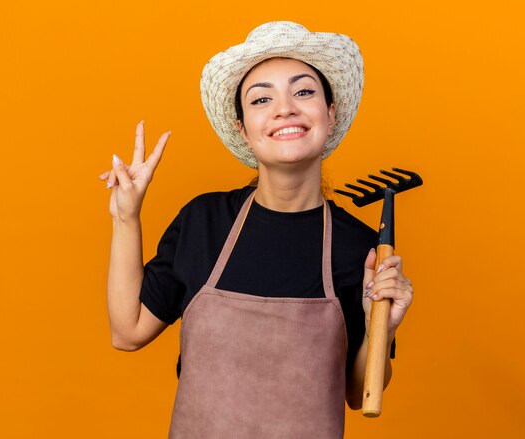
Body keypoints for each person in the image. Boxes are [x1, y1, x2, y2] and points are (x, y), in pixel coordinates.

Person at [99, 21, 413, 438]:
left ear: (331, 114)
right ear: (243, 129)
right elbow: (128, 331)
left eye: (303, 92)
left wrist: (382, 327)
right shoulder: (204, 222)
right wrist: (126, 216)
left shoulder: (361, 247)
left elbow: (360, 394)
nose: (284, 108)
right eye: (261, 98)